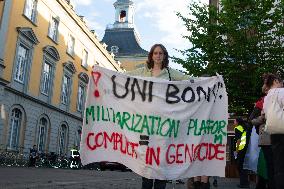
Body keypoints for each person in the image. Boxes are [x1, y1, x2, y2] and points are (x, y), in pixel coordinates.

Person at [127, 44, 190, 189]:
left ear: (164, 56)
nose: (158, 56)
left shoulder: (169, 73)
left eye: (161, 53)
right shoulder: (144, 72)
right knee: (147, 159)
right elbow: (125, 76)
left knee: (161, 159)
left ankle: (160, 185)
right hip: (146, 123)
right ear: (151, 55)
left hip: (164, 123)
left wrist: (208, 81)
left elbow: (187, 79)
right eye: (155, 53)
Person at [262, 73, 284, 189]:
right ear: (276, 81)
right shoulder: (281, 92)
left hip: (273, 132)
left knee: (278, 165)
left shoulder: (267, 97)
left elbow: (265, 114)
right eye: (281, 82)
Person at [233, 117, 250, 188]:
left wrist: (236, 150)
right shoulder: (245, 127)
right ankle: (245, 182)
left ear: (237, 122)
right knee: (243, 166)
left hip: (241, 149)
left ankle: (243, 183)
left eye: (234, 121)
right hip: (246, 148)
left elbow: (238, 140)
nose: (233, 122)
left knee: (240, 166)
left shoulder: (238, 128)